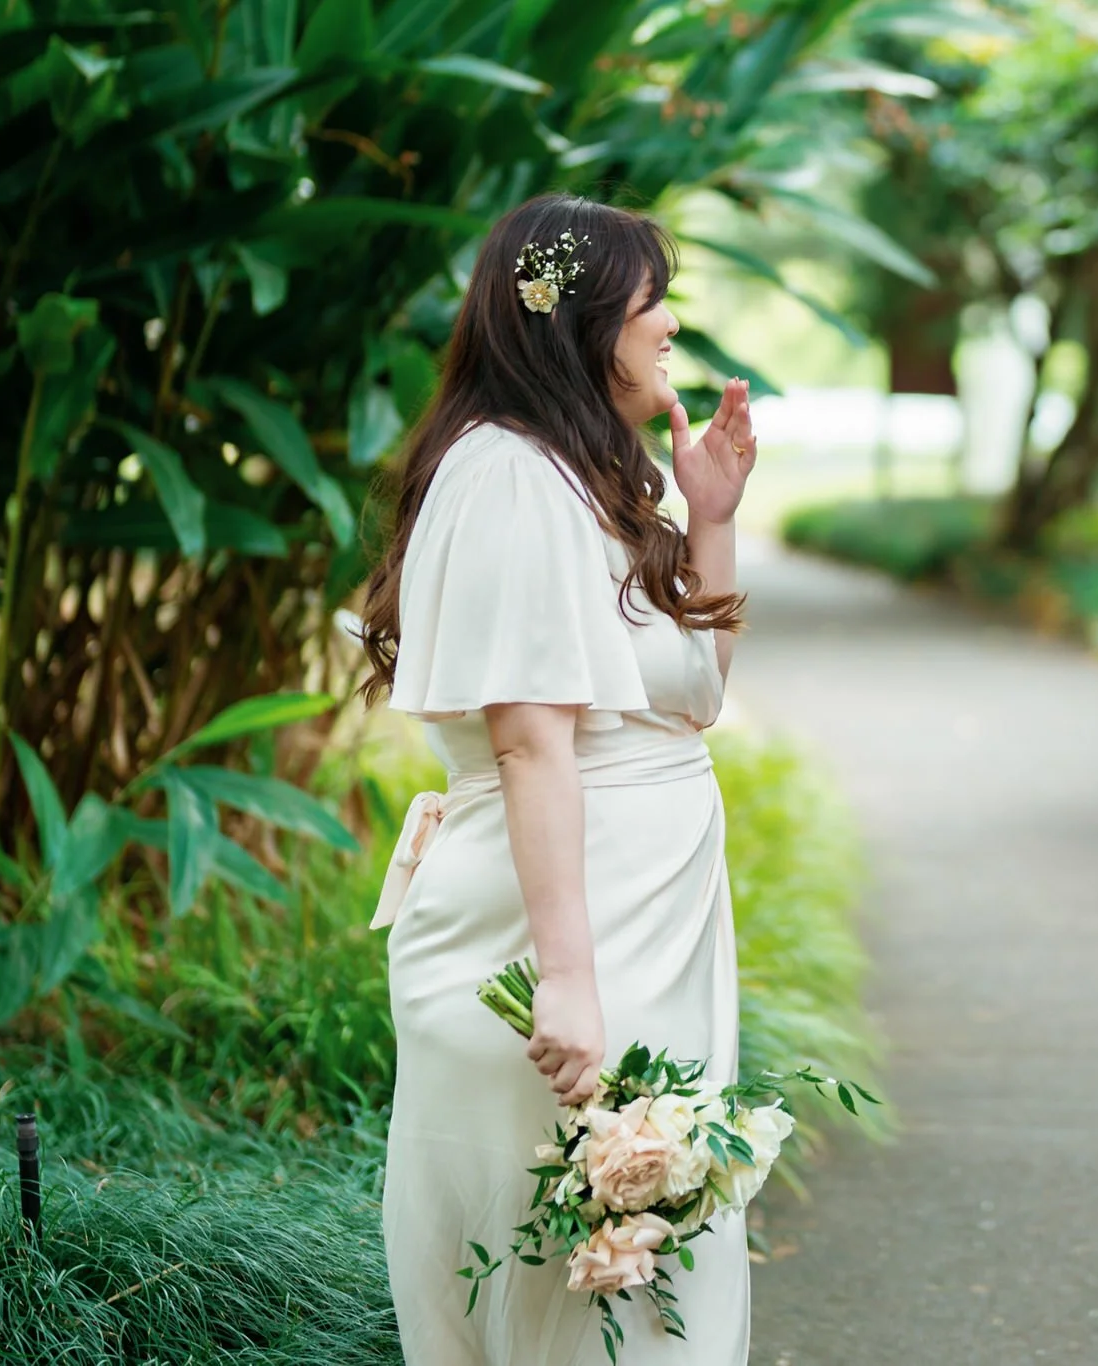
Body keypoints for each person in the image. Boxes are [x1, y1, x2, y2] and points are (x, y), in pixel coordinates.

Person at [355, 191, 758, 1365]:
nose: (671, 325)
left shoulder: (589, 478)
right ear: (580, 325)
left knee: (645, 1253)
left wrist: (711, 517)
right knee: (570, 1265)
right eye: (651, 302)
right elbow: (532, 739)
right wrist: (566, 983)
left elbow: (692, 702)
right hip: (555, 934)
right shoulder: (507, 476)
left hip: (646, 927)